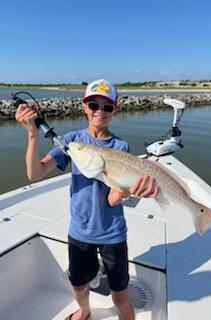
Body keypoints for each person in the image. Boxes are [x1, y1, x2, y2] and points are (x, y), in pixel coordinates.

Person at [15, 79, 159, 320]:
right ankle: (84, 310)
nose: (99, 111)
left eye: (107, 107)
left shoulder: (120, 146)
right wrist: (32, 135)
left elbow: (112, 200)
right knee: (78, 286)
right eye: (93, 104)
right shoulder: (73, 141)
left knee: (121, 295)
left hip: (113, 233)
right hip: (80, 232)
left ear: (116, 110)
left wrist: (126, 191)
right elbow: (35, 173)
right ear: (84, 107)